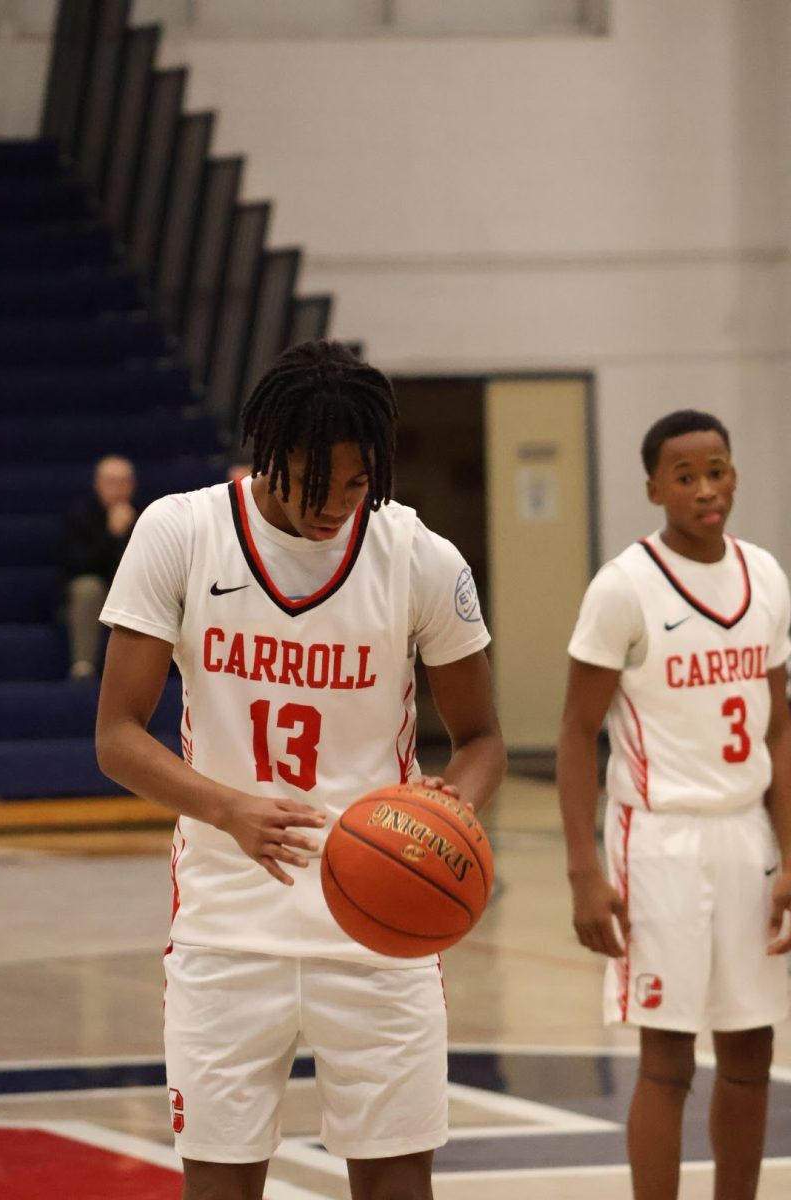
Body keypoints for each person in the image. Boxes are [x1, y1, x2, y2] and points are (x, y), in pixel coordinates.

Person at [95, 339, 507, 1200]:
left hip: (383, 922)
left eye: (357, 487)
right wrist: (229, 809)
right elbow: (119, 737)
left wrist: (451, 805)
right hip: (224, 921)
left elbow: (481, 740)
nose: (335, 508)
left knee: (396, 1180)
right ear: (268, 454)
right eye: (315, 486)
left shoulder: (420, 559)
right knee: (219, 1185)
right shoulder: (181, 532)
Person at [556, 408, 791, 1200]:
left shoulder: (765, 576)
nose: (704, 489)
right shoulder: (624, 586)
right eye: (685, 476)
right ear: (654, 486)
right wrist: (585, 872)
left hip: (745, 834)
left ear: (734, 473)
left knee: (752, 1053)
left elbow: (781, 728)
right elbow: (575, 731)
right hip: (657, 841)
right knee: (667, 1060)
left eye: (716, 470)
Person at [63, 454, 138, 680]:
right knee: (88, 588)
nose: (117, 489)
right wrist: (111, 535)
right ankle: (83, 668)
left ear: (132, 486)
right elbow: (79, 565)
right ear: (97, 484)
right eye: (110, 482)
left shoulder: (146, 516)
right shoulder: (79, 515)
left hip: (129, 591)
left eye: (123, 482)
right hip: (94, 592)